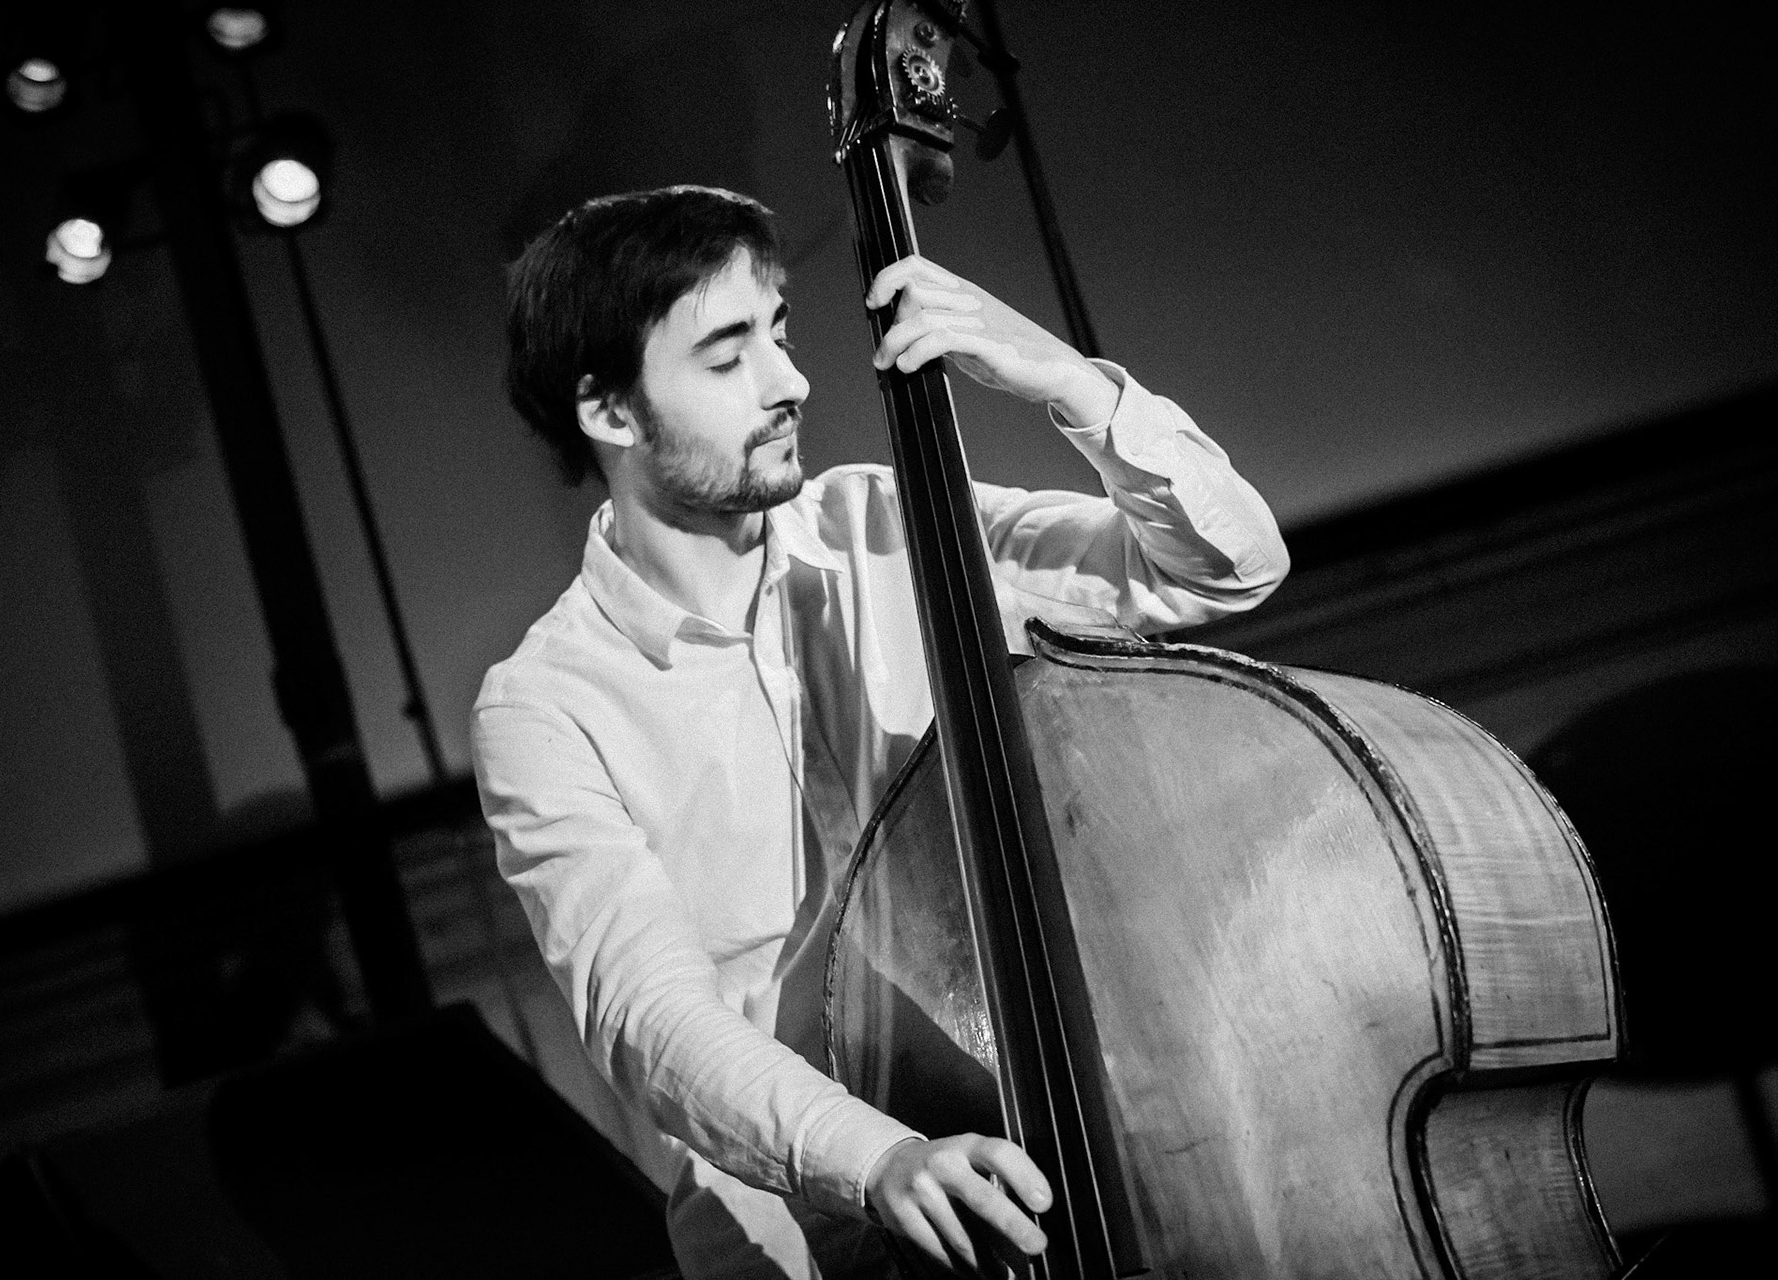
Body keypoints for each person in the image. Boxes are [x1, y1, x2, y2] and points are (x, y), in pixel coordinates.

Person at [472, 185, 1288, 1278]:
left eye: (780, 333)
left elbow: (1222, 570)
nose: (790, 380)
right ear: (609, 412)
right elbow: (646, 1016)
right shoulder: (543, 706)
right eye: (727, 357)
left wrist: (1070, 382)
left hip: (1052, 1133)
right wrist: (880, 1157)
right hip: (800, 1237)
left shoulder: (888, 520)